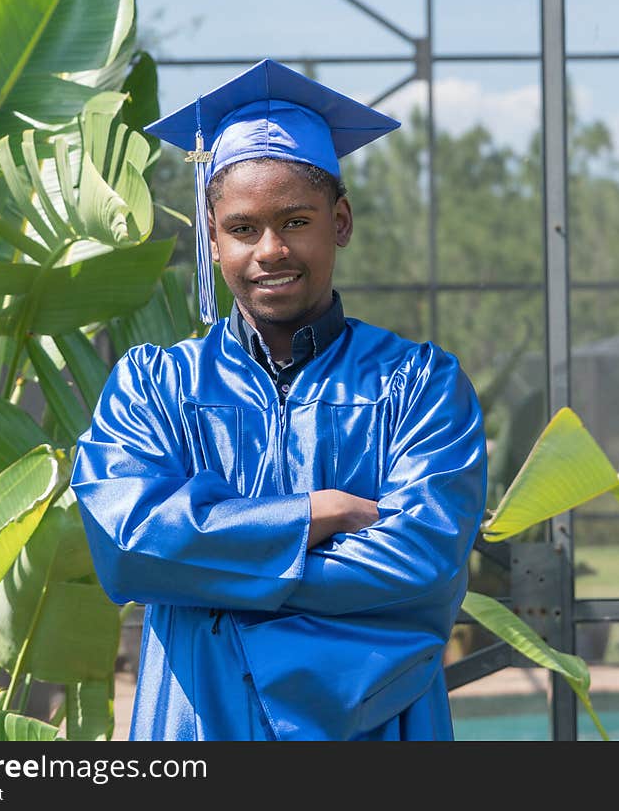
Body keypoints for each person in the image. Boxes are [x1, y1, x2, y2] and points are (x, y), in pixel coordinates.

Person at [70, 59, 488, 741]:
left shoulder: (419, 386)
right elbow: (127, 546)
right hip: (198, 722)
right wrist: (313, 514)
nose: (270, 250)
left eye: (295, 221)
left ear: (341, 221)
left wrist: (208, 572)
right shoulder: (155, 387)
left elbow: (421, 561)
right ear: (212, 236)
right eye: (242, 228)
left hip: (373, 725)